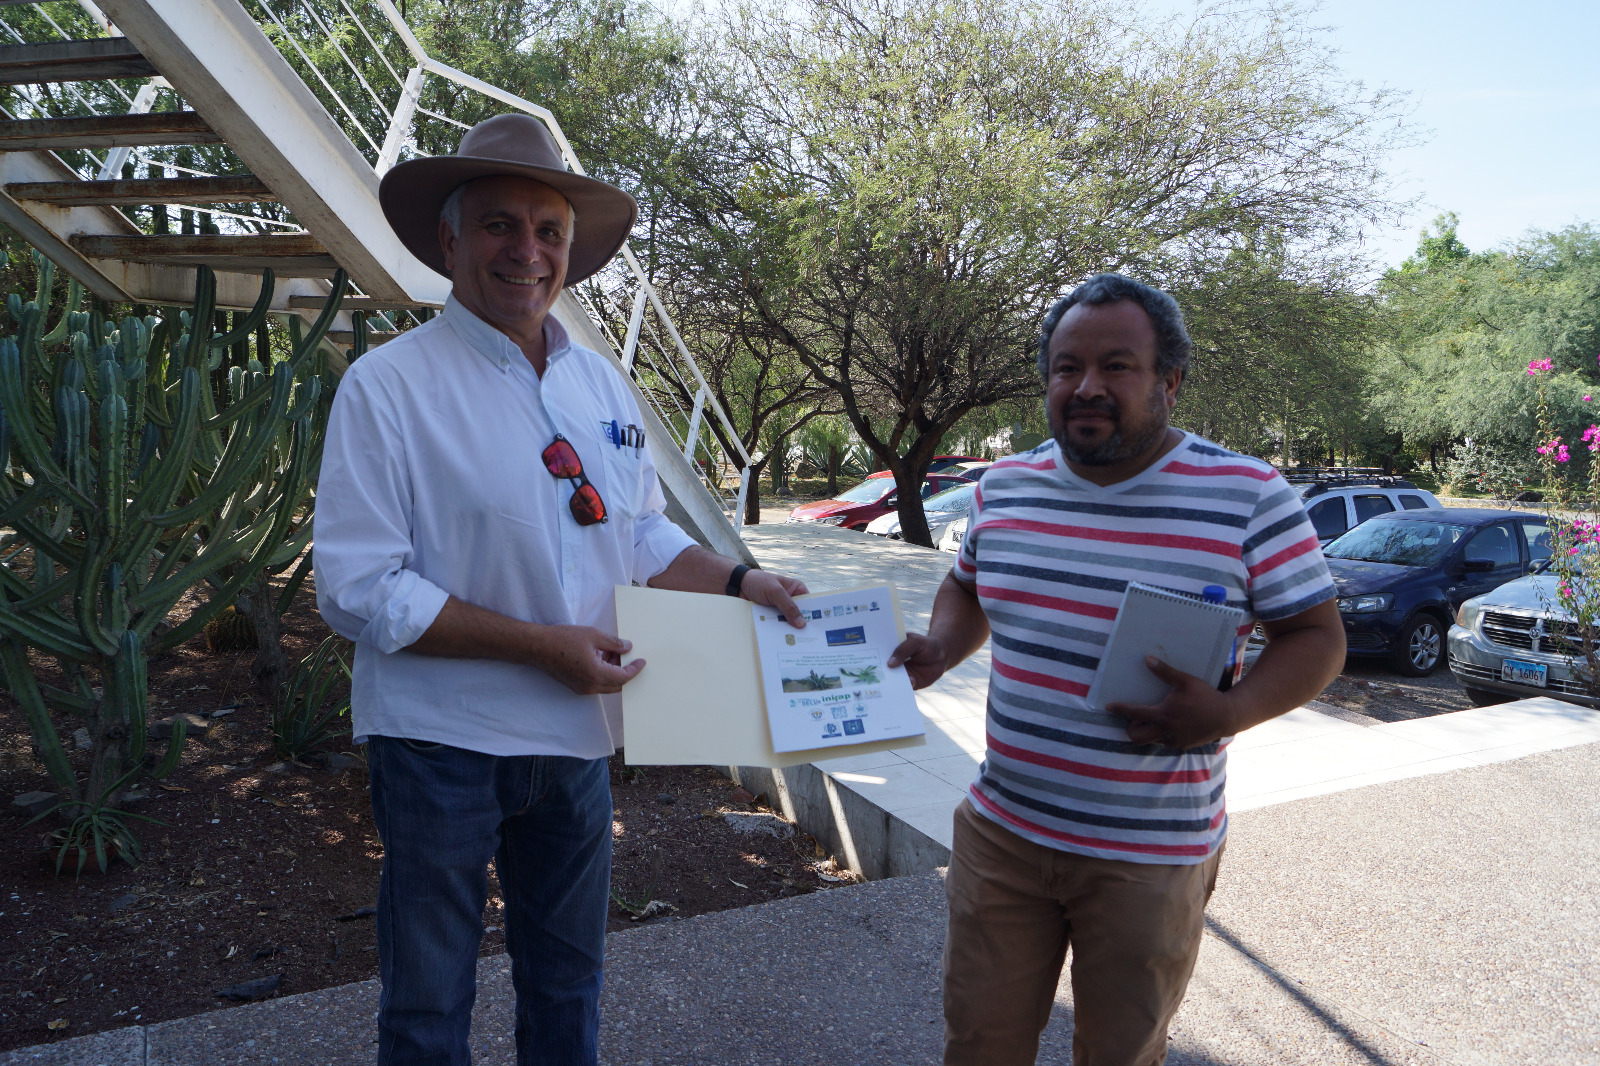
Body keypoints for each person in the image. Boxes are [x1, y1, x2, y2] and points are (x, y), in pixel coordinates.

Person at [313, 113, 808, 1066]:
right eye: (499, 225)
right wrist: (542, 647)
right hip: (440, 745)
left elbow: (641, 533)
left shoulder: (602, 387)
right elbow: (359, 589)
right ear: (450, 240)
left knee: (568, 983)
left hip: (576, 745)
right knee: (427, 1004)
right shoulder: (388, 387)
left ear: (570, 253)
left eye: (548, 231)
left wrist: (740, 580)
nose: (526, 251)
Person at [888, 274, 1346, 1066]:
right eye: (1067, 367)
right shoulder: (1004, 488)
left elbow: (1316, 638)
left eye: (1117, 366)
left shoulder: (1248, 496)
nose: (1087, 387)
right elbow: (966, 587)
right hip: (1004, 832)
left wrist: (1229, 713)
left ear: (1170, 381)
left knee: (1120, 1056)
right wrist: (942, 643)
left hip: (1150, 856)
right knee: (979, 1044)